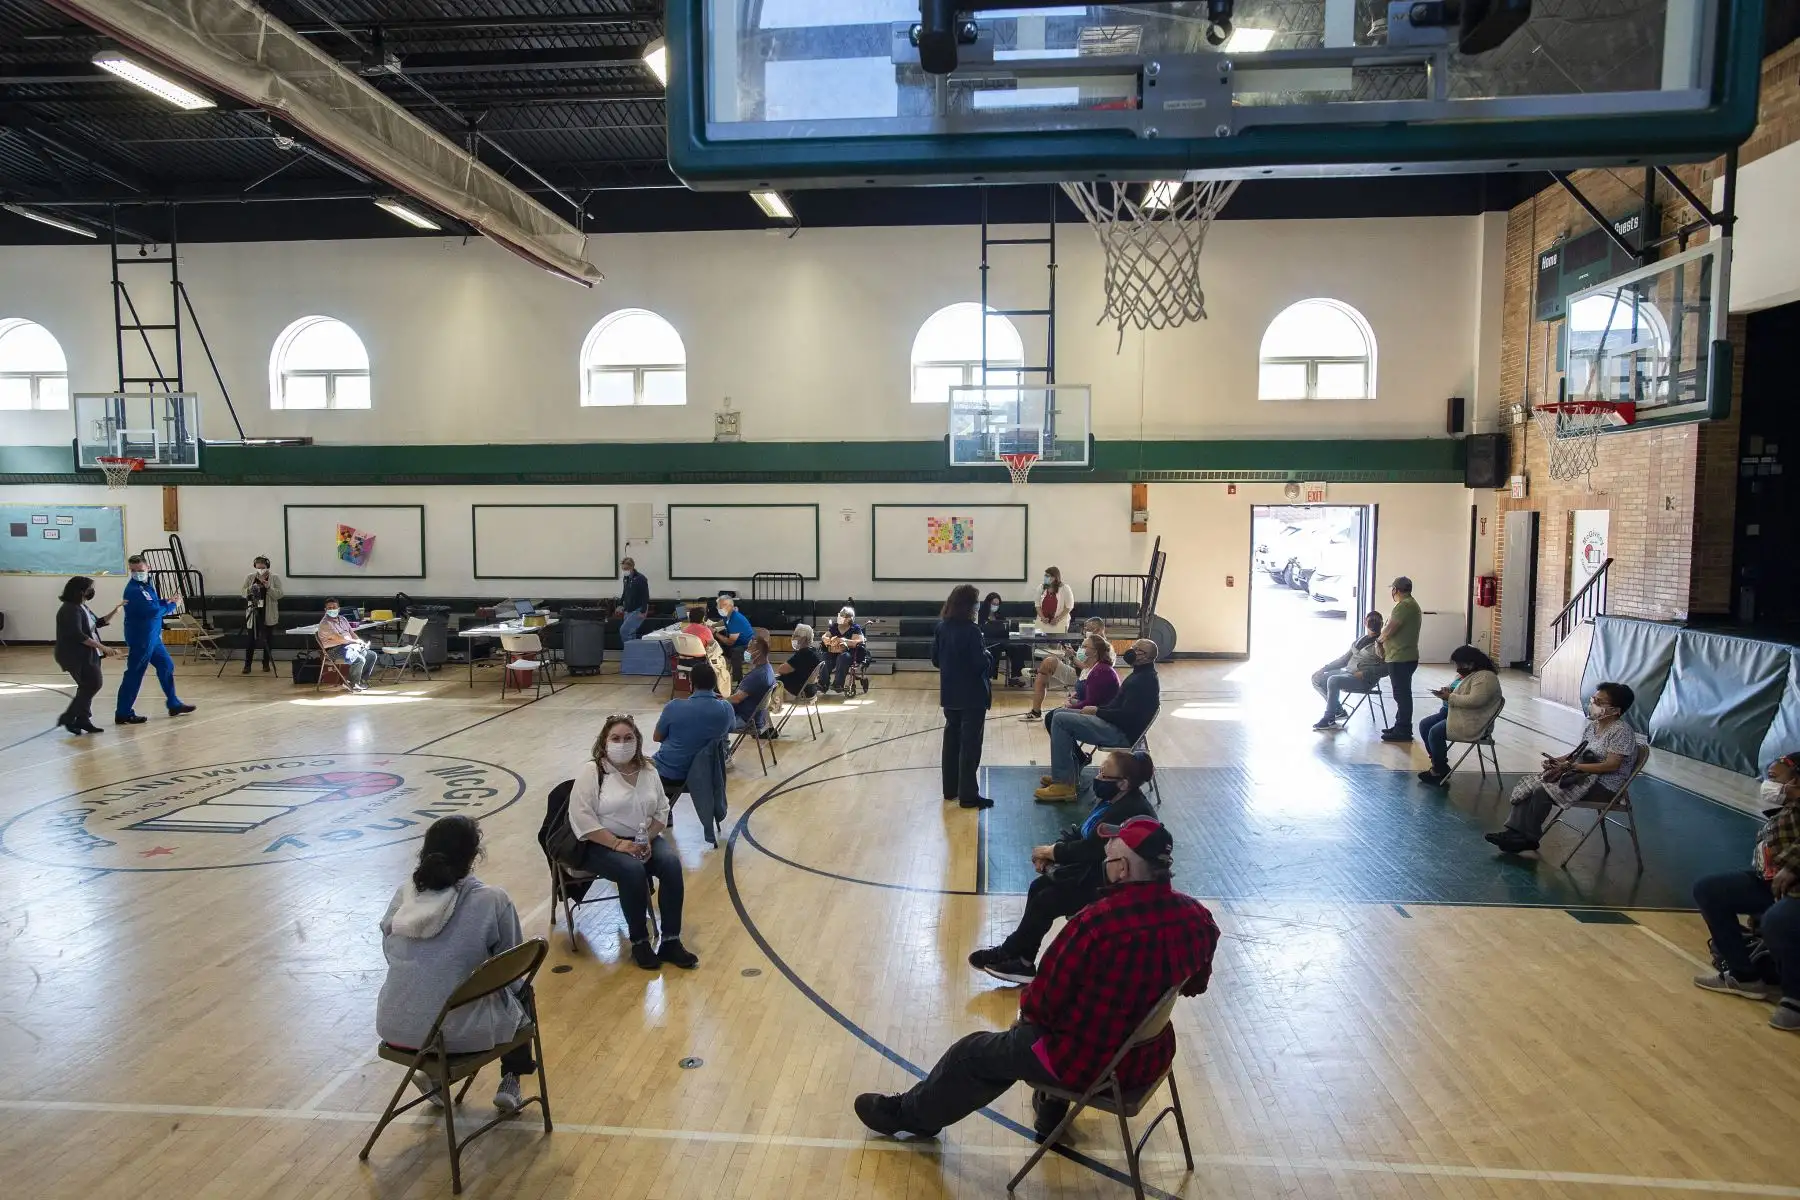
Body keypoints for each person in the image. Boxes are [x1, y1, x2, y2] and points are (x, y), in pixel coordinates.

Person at [854, 817, 1218, 1142]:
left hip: (1087, 1063)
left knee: (973, 1054)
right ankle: (1051, 1112)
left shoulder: (1096, 924)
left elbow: (1041, 1003)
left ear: (1121, 870)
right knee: (1078, 1018)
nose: (1105, 848)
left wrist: (1024, 1023)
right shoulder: (1198, 918)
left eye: (1112, 848)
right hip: (1147, 1055)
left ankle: (910, 1117)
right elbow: (1194, 985)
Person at [375, 816, 539, 1113]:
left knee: (436, 990)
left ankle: (436, 1079)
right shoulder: (492, 900)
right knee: (522, 992)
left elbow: (390, 952)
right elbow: (514, 970)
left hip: (395, 1028)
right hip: (455, 1036)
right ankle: (511, 1079)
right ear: (474, 856)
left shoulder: (403, 895)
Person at [970, 751, 1159, 984]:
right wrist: (1053, 854)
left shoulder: (1127, 810)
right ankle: (1023, 961)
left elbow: (1091, 849)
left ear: (1123, 783)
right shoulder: (1114, 799)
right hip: (1097, 870)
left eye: (1104, 773)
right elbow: (1081, 834)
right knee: (1039, 887)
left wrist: (1052, 853)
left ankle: (1012, 952)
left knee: (1046, 899)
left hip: (1116, 884)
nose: (1098, 777)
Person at [567, 715, 697, 970]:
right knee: (632, 870)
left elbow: (662, 809)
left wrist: (646, 838)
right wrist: (617, 844)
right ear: (604, 743)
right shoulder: (593, 771)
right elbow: (581, 817)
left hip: (643, 837)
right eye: (615, 738)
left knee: (670, 865)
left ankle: (671, 940)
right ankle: (639, 942)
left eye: (628, 738)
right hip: (600, 842)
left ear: (637, 741)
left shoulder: (649, 770)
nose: (622, 743)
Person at [1690, 753, 1800, 1032]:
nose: (1767, 784)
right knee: (1710, 890)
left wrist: (1794, 868)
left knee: (1778, 919)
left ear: (1796, 781)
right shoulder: (1787, 809)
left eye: (1775, 779)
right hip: (1772, 882)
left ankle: (1795, 997)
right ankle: (1744, 974)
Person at [1485, 681, 1639, 854]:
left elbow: (1612, 765)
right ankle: (1513, 832)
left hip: (1603, 786)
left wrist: (1575, 766)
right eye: (1593, 699)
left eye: (1600, 702)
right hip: (1581, 775)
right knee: (1531, 784)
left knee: (1542, 791)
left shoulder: (1621, 731)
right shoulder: (1593, 726)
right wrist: (1556, 761)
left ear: (1616, 710)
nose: (1593, 704)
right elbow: (1577, 753)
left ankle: (1528, 837)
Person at [1036, 639, 1161, 802]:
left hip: (1120, 733)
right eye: (1133, 647)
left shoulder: (1145, 681)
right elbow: (1118, 707)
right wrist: (1097, 711)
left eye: (1137, 650)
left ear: (1147, 657)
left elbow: (1126, 717)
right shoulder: (1139, 675)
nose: (1131, 651)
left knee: (1060, 720)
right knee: (1058, 714)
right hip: (1115, 725)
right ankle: (1066, 776)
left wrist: (1098, 711)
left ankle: (1065, 785)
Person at [115, 554, 195, 724]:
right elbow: (153, 611)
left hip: (153, 636)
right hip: (141, 637)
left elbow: (153, 603)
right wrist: (174, 605)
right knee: (135, 673)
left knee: (166, 665)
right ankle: (123, 712)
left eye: (140, 570)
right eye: (134, 571)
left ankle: (173, 703)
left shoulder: (146, 586)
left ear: (148, 568)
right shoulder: (134, 590)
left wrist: (165, 600)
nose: (137, 573)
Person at [933, 584, 993, 810]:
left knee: (951, 742)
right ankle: (969, 795)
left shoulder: (942, 627)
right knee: (970, 745)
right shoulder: (972, 630)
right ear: (970, 606)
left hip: (949, 694)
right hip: (972, 696)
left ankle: (950, 790)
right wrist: (987, 656)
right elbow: (980, 664)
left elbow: (935, 660)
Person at [1417, 646, 1503, 786]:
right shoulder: (1466, 675)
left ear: (1471, 662)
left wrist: (1449, 697)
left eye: (1459, 664)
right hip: (1453, 713)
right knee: (1424, 725)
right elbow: (1460, 690)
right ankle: (1438, 764)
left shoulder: (1486, 677)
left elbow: (1475, 701)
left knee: (1435, 732)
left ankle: (1439, 770)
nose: (1457, 668)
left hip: (1470, 720)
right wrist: (1448, 690)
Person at [652, 660, 735, 800]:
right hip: (708, 776)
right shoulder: (726, 708)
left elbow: (657, 737)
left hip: (672, 774)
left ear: (691, 683)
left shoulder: (674, 707)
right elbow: (730, 728)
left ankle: (664, 813)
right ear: (715, 684)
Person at [53, 575, 120, 735]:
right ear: (81, 591)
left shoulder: (82, 607)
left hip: (90, 653)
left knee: (87, 686)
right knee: (93, 684)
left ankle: (83, 719)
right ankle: (69, 717)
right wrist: (103, 647)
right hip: (75, 655)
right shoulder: (69, 609)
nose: (92, 591)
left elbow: (97, 623)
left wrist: (116, 610)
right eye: (90, 588)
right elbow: (78, 635)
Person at [1020, 616, 1108, 722]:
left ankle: (1039, 672)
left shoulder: (1105, 648)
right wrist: (1073, 653)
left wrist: (1072, 657)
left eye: (1088, 629)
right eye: (1085, 629)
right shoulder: (1090, 641)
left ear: (1098, 629)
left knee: (1044, 671)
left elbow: (1090, 670)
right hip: (1076, 671)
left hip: (1085, 678)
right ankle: (1036, 711)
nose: (1086, 632)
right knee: (1049, 662)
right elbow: (1083, 660)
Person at [1310, 611, 1387, 730]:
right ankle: (1338, 711)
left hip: (1363, 679)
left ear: (1381, 624)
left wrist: (1365, 673)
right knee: (1317, 678)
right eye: (1371, 620)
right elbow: (1343, 660)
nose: (1373, 623)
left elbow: (1387, 668)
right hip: (1347, 673)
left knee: (1333, 680)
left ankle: (1329, 719)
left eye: (1376, 620)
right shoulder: (1360, 640)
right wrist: (1325, 668)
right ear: (1365, 622)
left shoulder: (1383, 644)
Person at [1044, 631, 1119, 735]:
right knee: (1051, 717)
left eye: (1084, 647)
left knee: (1054, 717)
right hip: (1089, 707)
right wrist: (1075, 697)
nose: (1080, 649)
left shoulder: (1100, 670)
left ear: (1095, 652)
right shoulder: (1089, 667)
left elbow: (1092, 702)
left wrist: (1070, 707)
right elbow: (1088, 691)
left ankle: (1072, 751)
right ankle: (1073, 751)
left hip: (1098, 713)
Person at [1377, 577, 1422, 743]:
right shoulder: (1411, 604)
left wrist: (1379, 641)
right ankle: (1400, 725)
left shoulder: (1404, 606)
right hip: (1404, 656)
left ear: (1395, 590)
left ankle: (1403, 729)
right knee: (1402, 693)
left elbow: (1390, 630)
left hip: (1400, 657)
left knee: (1401, 695)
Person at [316, 598, 377, 692]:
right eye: (329, 608)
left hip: (349, 646)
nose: (332, 609)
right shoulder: (325, 624)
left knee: (372, 655)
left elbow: (352, 633)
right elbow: (339, 639)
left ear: (339, 609)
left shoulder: (343, 619)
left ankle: (359, 680)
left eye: (334, 607)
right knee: (359, 659)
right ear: (325, 610)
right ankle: (353, 684)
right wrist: (355, 642)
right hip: (334, 651)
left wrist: (360, 642)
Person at [727, 632, 778, 737]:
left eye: (749, 648)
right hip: (757, 718)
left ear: (758, 653)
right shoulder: (767, 669)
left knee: (706, 719)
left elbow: (737, 699)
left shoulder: (757, 675)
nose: (746, 651)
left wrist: (717, 701)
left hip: (744, 720)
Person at [239, 555, 284, 674]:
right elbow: (243, 592)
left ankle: (266, 664)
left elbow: (279, 594)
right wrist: (251, 588)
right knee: (250, 640)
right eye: (258, 567)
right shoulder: (250, 577)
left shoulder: (274, 578)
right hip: (254, 612)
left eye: (263, 567)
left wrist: (268, 587)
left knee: (267, 640)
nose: (260, 570)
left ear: (267, 566)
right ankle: (247, 665)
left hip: (268, 612)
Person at [981, 591, 1028, 686]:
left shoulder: (999, 614)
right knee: (992, 649)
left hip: (1002, 640)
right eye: (993, 604)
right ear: (988, 603)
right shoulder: (981, 615)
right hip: (987, 641)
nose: (995, 606)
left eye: (997, 604)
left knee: (1016, 648)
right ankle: (989, 677)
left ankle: (1015, 677)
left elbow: (1005, 628)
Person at [819, 605, 868, 695]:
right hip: (834, 653)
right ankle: (823, 683)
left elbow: (859, 641)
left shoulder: (855, 628)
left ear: (849, 619)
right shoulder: (835, 627)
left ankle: (838, 684)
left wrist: (845, 640)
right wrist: (825, 639)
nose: (839, 618)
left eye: (842, 616)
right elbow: (825, 636)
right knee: (825, 656)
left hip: (850, 654)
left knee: (843, 657)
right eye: (839, 615)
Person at [775, 622, 822, 702]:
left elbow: (781, 669)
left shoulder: (803, 654)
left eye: (796, 636)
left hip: (802, 691)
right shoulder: (814, 651)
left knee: (771, 681)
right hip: (812, 689)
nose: (793, 638)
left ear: (803, 638)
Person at [716, 593, 753, 683]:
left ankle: (738, 681)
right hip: (738, 643)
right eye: (719, 606)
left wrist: (715, 633)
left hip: (747, 648)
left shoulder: (735, 619)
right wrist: (713, 625)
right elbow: (723, 621)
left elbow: (730, 642)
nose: (720, 608)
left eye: (723, 606)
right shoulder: (728, 615)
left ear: (731, 606)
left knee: (734, 653)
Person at [614, 556, 650, 642]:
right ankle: (632, 653)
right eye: (623, 569)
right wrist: (620, 604)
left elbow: (645, 595)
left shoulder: (640, 578)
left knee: (624, 631)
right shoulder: (626, 578)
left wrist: (643, 611)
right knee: (631, 633)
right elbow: (625, 592)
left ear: (632, 567)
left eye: (626, 568)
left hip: (638, 610)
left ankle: (629, 651)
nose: (624, 571)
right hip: (628, 610)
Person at [1036, 566, 1075, 633]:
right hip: (1043, 621)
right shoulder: (1041, 587)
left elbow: (1069, 607)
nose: (1045, 578)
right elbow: (1037, 604)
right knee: (1041, 642)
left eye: (1047, 576)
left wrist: (1057, 619)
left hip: (1059, 622)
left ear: (1054, 577)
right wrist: (1042, 617)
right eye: (1045, 576)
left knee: (1056, 643)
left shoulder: (1065, 588)